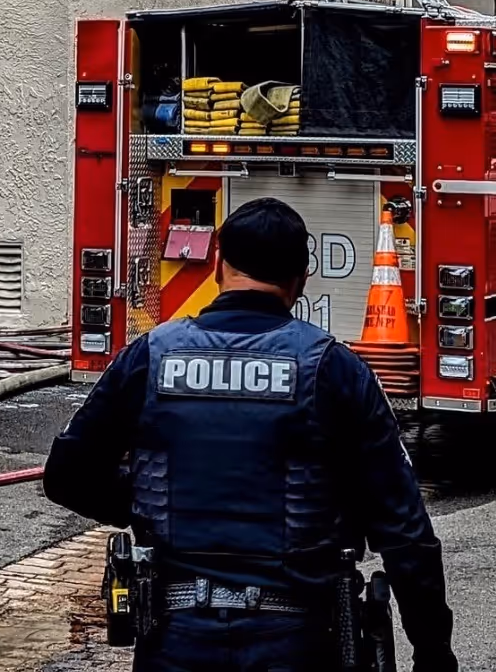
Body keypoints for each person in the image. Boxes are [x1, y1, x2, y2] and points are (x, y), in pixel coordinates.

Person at [45, 197, 458, 672]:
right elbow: (405, 532)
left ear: (218, 263)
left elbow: (68, 476)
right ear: (301, 280)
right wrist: (433, 652)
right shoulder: (334, 369)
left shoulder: (150, 356)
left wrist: (145, 501)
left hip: (176, 641)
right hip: (298, 642)